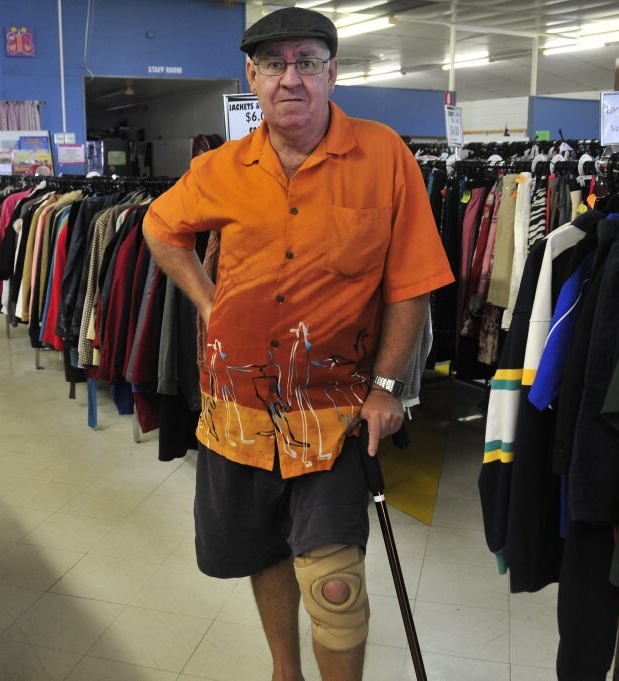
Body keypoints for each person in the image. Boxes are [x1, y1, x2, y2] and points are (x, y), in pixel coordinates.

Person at [142, 7, 453, 680]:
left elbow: (412, 283)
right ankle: (285, 669)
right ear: (251, 78)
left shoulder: (385, 156)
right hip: (238, 412)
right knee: (264, 552)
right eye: (275, 64)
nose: (292, 78)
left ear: (333, 72)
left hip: (334, 414)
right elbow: (161, 227)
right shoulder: (219, 168)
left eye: (308, 61)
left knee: (336, 586)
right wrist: (208, 299)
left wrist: (388, 386)